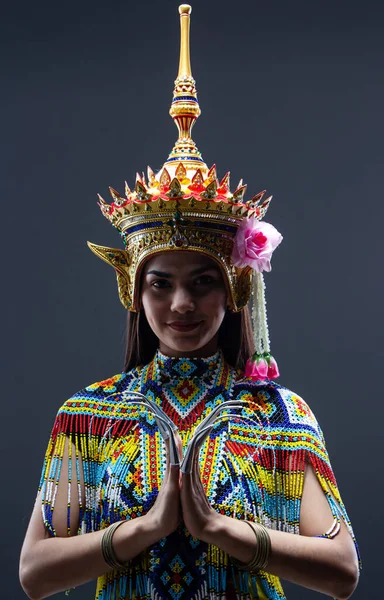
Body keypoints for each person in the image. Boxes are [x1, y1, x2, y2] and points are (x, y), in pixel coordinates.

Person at [19, 5, 360, 600]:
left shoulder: (281, 417)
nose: (181, 303)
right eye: (160, 283)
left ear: (235, 290)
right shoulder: (88, 418)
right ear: (132, 290)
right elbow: (35, 573)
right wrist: (143, 530)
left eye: (203, 281)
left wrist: (221, 530)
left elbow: (343, 571)